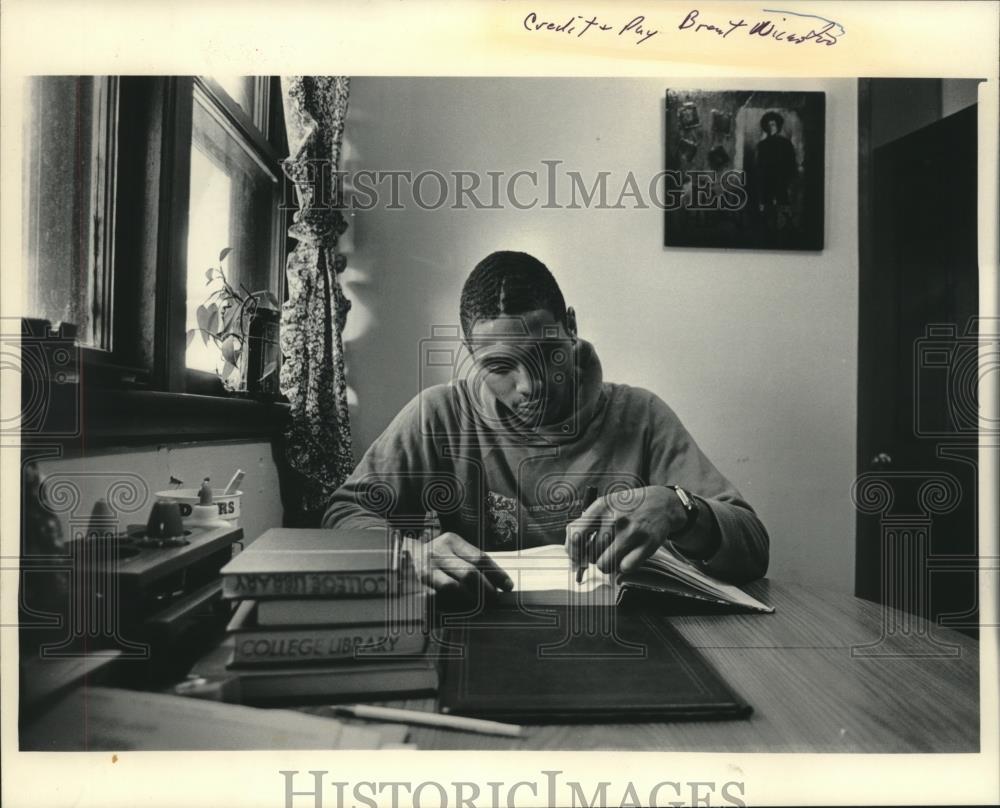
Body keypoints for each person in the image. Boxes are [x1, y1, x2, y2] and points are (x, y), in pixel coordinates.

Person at [323, 251, 769, 600]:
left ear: (570, 327)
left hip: (625, 641)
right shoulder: (440, 415)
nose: (530, 386)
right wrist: (408, 555)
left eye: (546, 354)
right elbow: (342, 513)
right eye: (500, 367)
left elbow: (753, 548)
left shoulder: (640, 416)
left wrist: (680, 507)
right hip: (488, 634)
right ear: (469, 355)